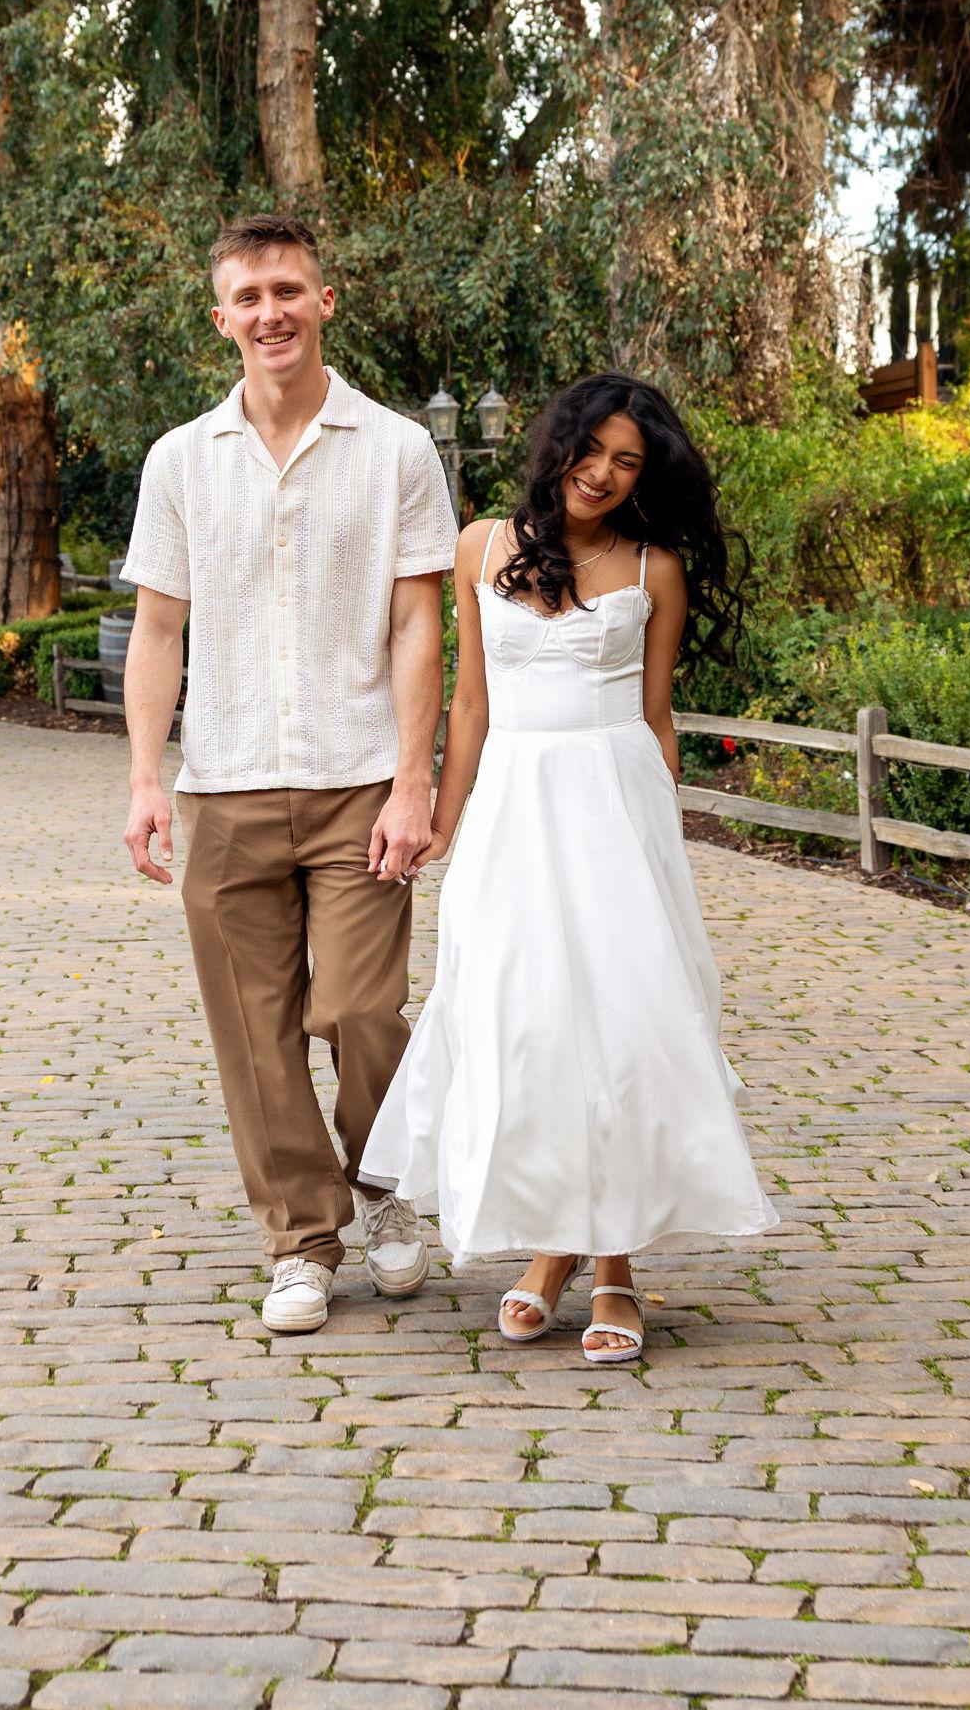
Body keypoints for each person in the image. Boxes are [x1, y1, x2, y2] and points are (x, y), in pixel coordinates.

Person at [361, 372, 780, 1364]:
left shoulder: (653, 567)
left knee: (619, 1030)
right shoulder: (479, 546)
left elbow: (655, 717)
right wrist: (443, 822)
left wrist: (660, 847)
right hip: (513, 809)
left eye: (626, 461)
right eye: (590, 450)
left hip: (612, 811)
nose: (601, 473)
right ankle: (554, 1249)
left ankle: (610, 1267)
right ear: (558, 445)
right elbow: (470, 705)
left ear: (645, 476)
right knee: (528, 1027)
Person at [121, 212, 457, 1335]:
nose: (271, 313)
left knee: (359, 1007)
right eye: (249, 296)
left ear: (324, 301)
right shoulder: (180, 460)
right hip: (224, 786)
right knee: (253, 1032)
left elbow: (418, 624)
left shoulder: (397, 450)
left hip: (359, 780)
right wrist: (145, 776)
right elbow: (158, 629)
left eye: (288, 291)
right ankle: (301, 1240)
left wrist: (413, 781)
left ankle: (385, 1184)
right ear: (221, 318)